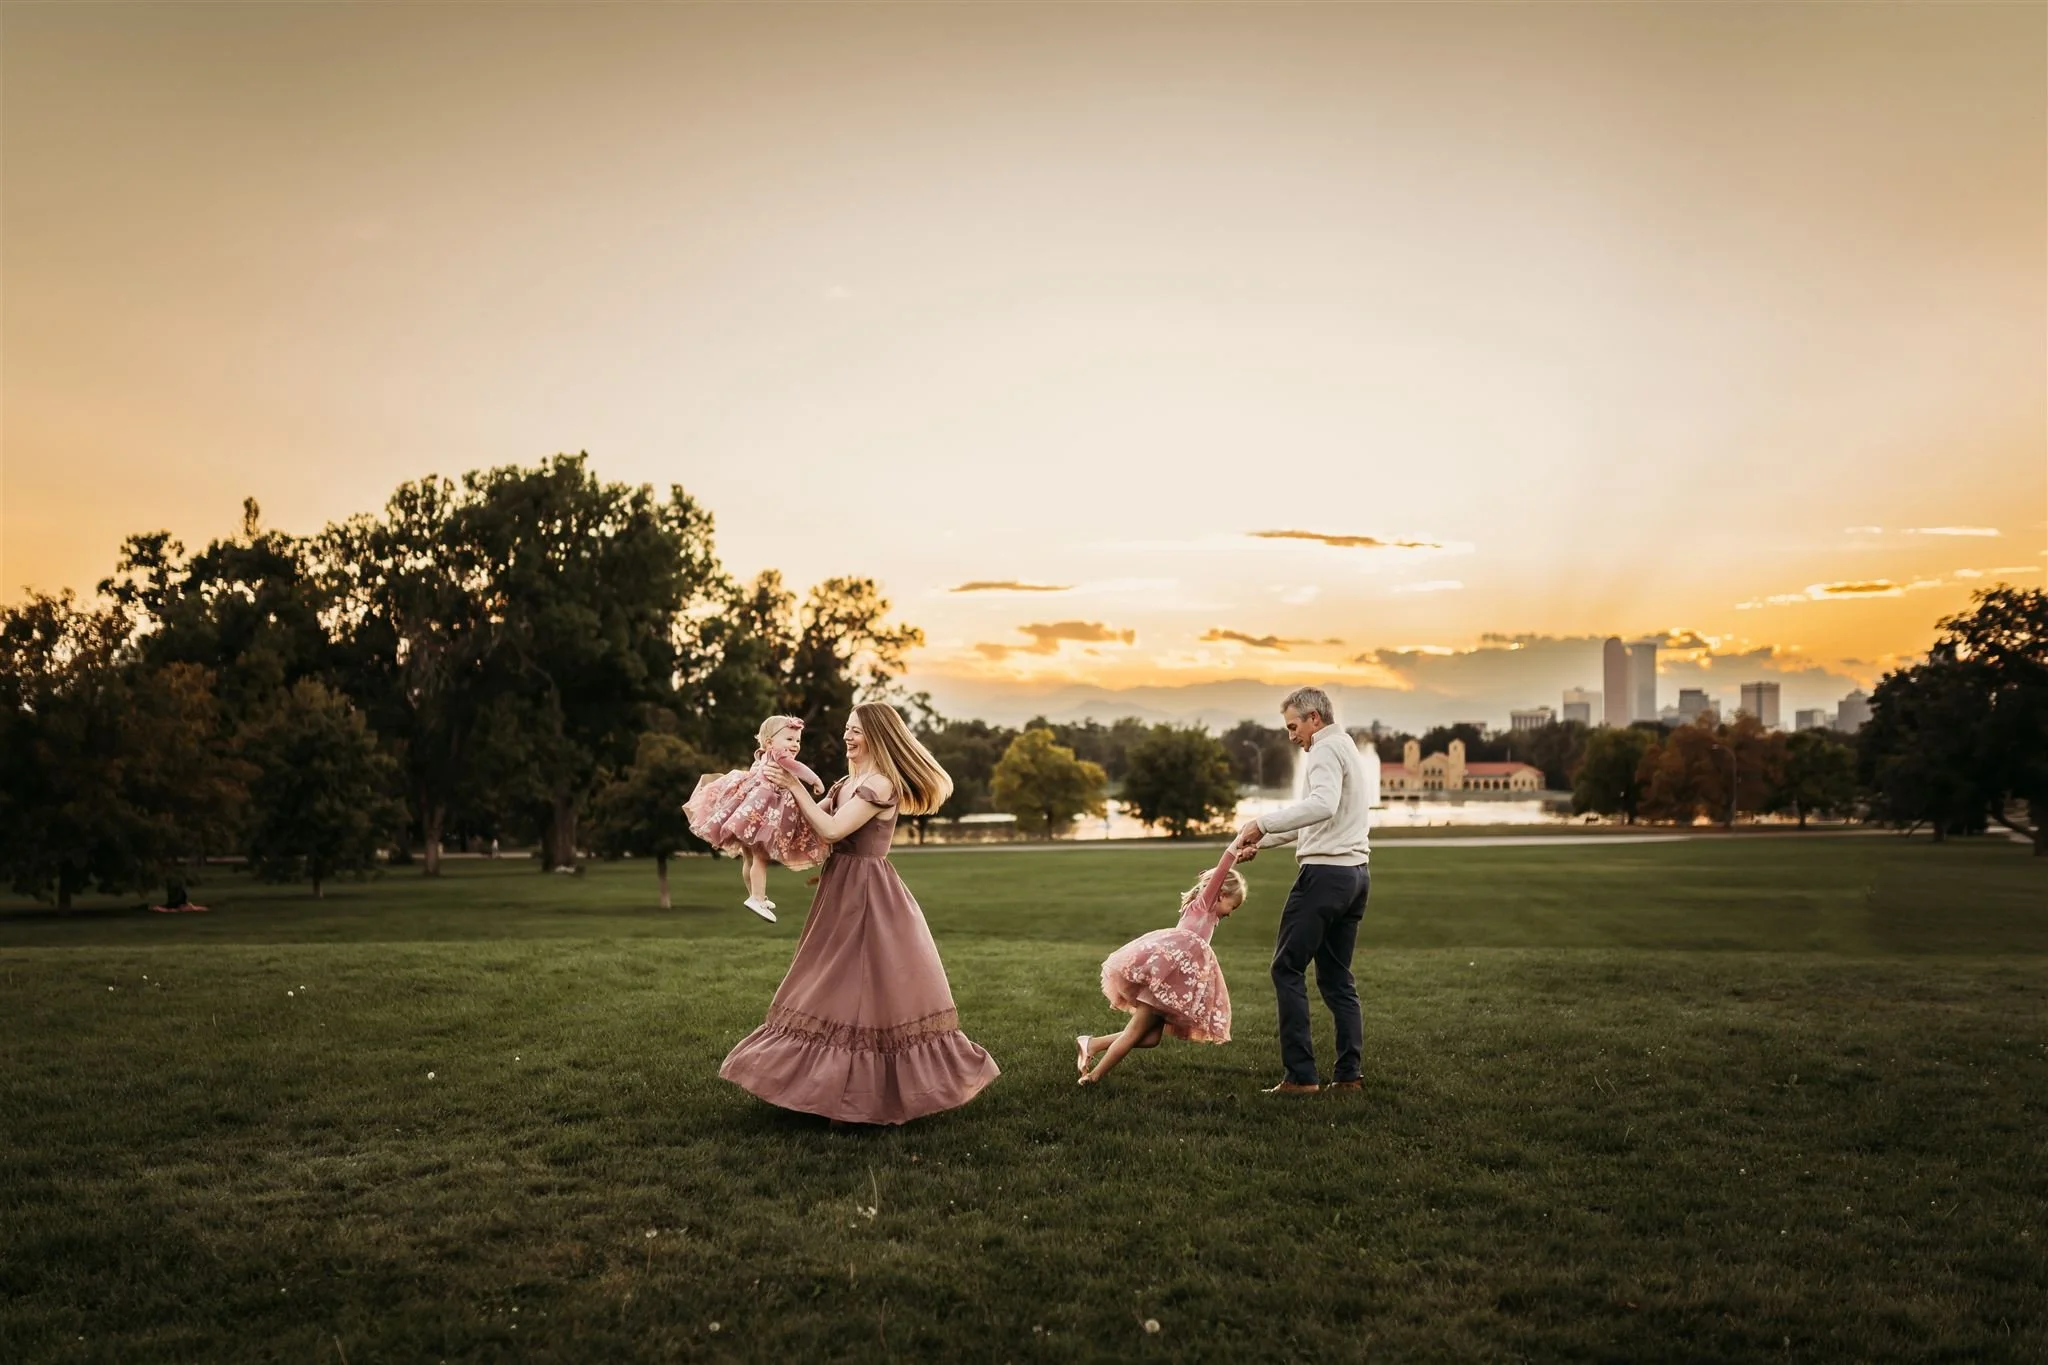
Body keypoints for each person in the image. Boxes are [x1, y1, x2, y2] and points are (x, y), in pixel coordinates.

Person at [718, 703, 1000, 1125]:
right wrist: (760, 806)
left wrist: (794, 786)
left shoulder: (882, 786)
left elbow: (833, 830)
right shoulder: (846, 784)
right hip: (839, 891)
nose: (847, 736)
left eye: (856, 731)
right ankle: (827, 1092)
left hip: (871, 895)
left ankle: (863, 1101)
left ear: (877, 736)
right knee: (829, 984)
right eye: (847, 729)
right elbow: (817, 834)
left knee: (871, 992)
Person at [1234, 685, 1371, 1095]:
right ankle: (1349, 1077)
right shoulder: (1346, 746)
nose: (1292, 736)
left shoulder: (1326, 750)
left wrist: (1262, 822)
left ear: (1315, 718)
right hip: (1355, 876)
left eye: (1294, 726)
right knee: (1335, 979)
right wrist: (1264, 841)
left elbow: (1323, 805)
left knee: (1286, 968)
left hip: (1325, 879)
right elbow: (1321, 821)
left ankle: (1301, 1078)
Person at [1076, 847, 1247, 1086]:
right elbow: (1222, 869)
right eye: (1233, 905)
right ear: (1220, 894)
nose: (1232, 912)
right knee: (1134, 1033)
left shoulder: (1210, 917)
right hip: (1163, 983)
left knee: (1150, 1039)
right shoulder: (1203, 907)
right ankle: (1093, 1076)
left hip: (1170, 986)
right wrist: (1236, 850)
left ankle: (1091, 1044)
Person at [684, 715, 829, 921]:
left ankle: (754, 894)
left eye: (797, 740)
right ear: (770, 742)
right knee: (761, 858)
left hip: (749, 816)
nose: (795, 745)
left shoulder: (762, 756)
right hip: (762, 817)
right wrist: (815, 780)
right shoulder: (779, 756)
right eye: (789, 739)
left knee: (749, 858)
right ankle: (757, 899)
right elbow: (798, 768)